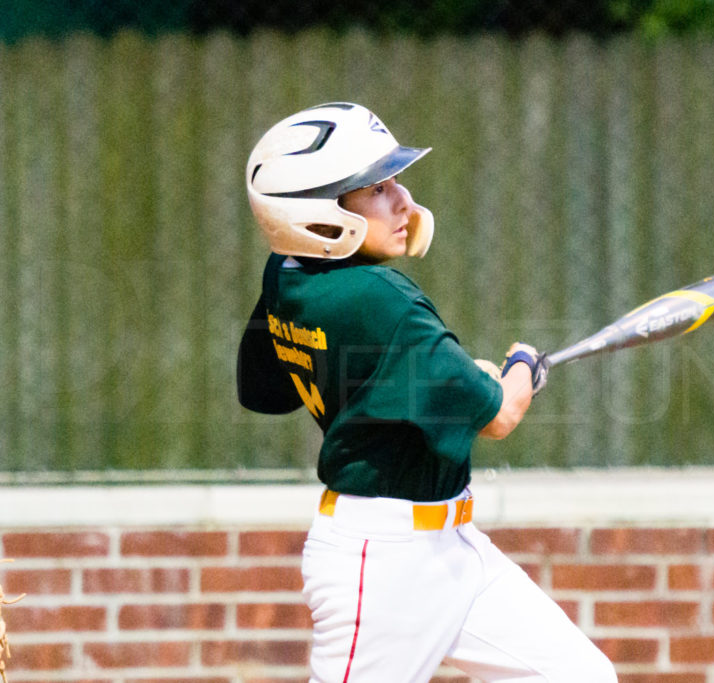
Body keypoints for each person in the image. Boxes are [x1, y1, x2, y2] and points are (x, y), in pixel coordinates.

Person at [236, 102, 616, 683]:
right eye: (374, 189)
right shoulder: (382, 299)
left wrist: (444, 378)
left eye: (394, 181)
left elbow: (266, 387)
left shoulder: (286, 271)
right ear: (316, 213)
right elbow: (501, 415)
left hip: (453, 548)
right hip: (383, 562)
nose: (403, 203)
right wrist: (521, 365)